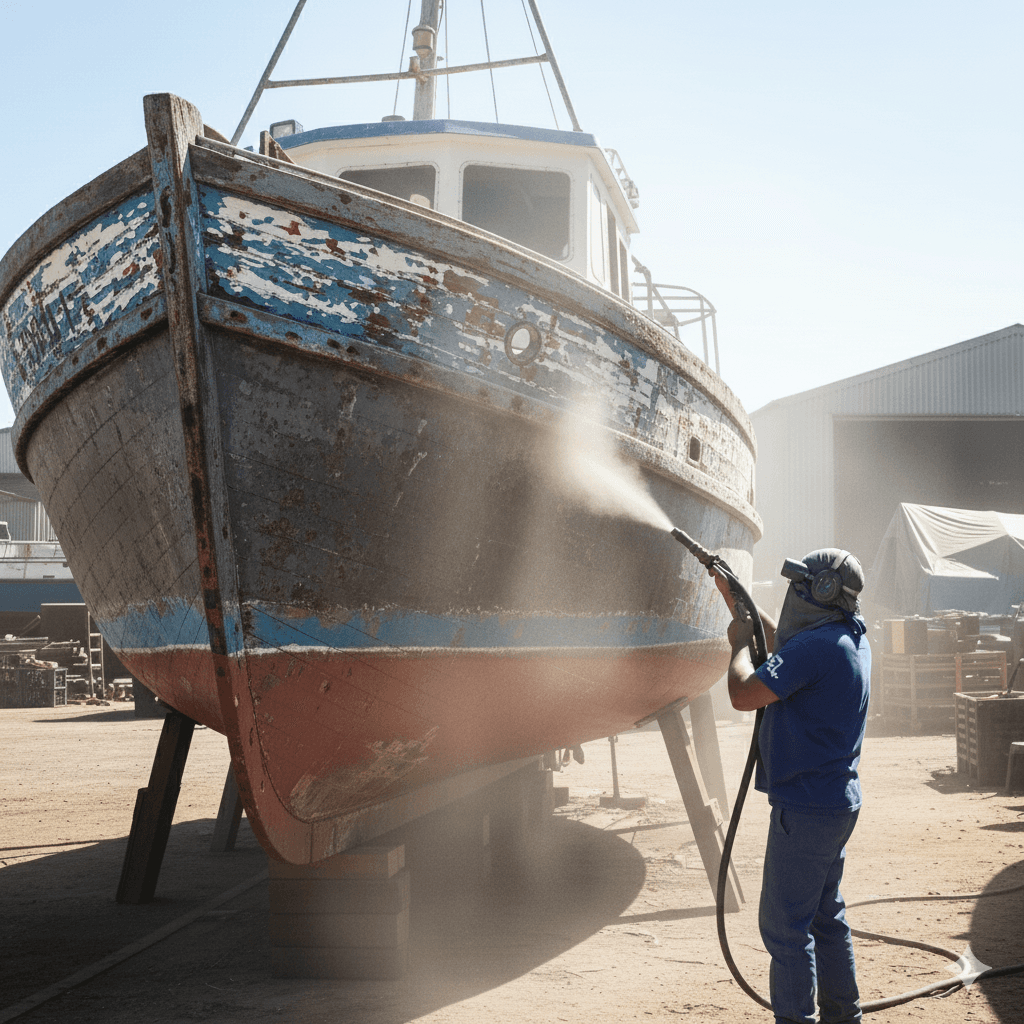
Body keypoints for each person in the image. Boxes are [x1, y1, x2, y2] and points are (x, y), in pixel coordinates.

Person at [723, 548, 871, 1024]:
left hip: (804, 809)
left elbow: (745, 694)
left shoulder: (814, 649)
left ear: (823, 591)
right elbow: (786, 643)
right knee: (826, 919)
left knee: (784, 929)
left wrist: (737, 645)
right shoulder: (848, 636)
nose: (793, 595)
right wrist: (737, 597)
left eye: (802, 586)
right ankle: (844, 1017)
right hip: (835, 804)